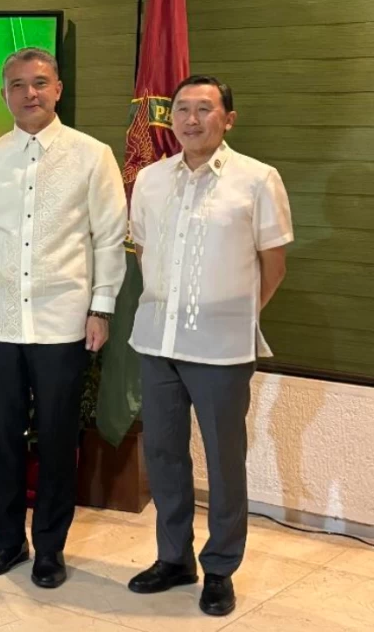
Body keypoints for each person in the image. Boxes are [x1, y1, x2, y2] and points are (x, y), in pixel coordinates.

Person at [0, 47, 127, 589]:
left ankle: (50, 549)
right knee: (1, 438)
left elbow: (108, 238)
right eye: (17, 85)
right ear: (3, 94)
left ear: (57, 89)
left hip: (63, 320)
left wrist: (101, 306)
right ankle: (7, 542)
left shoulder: (92, 155)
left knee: (56, 441)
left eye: (39, 83)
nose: (29, 93)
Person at [126, 75, 292, 617]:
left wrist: (234, 314)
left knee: (224, 460)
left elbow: (273, 264)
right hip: (157, 340)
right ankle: (173, 558)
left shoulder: (258, 179)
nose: (191, 119)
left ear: (228, 119)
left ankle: (220, 567)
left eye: (204, 109)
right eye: (182, 108)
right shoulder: (150, 179)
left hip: (222, 348)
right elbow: (144, 251)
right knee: (163, 454)